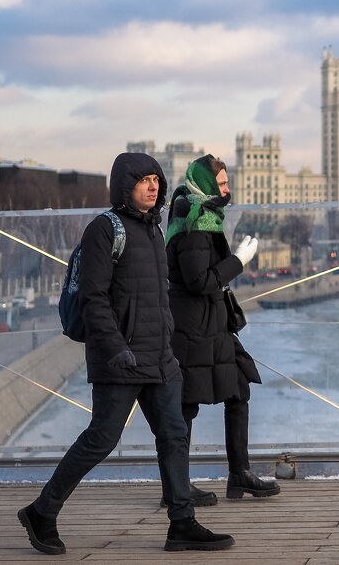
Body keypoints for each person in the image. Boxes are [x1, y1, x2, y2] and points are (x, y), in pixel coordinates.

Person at [17, 152, 233, 555]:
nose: (152, 186)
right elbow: (93, 297)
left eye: (156, 179)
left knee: (174, 435)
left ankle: (181, 522)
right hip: (121, 358)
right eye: (143, 180)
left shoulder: (153, 229)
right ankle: (41, 511)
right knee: (102, 438)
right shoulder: (104, 229)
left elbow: (157, 297)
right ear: (124, 185)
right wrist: (116, 348)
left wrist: (168, 339)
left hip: (159, 357)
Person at [165, 155, 280, 503]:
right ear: (207, 185)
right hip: (193, 326)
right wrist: (239, 262)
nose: (228, 189)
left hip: (209, 323)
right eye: (223, 183)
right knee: (186, 404)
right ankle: (178, 488)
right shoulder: (194, 221)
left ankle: (239, 475)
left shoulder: (204, 216)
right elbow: (200, 281)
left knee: (238, 388)